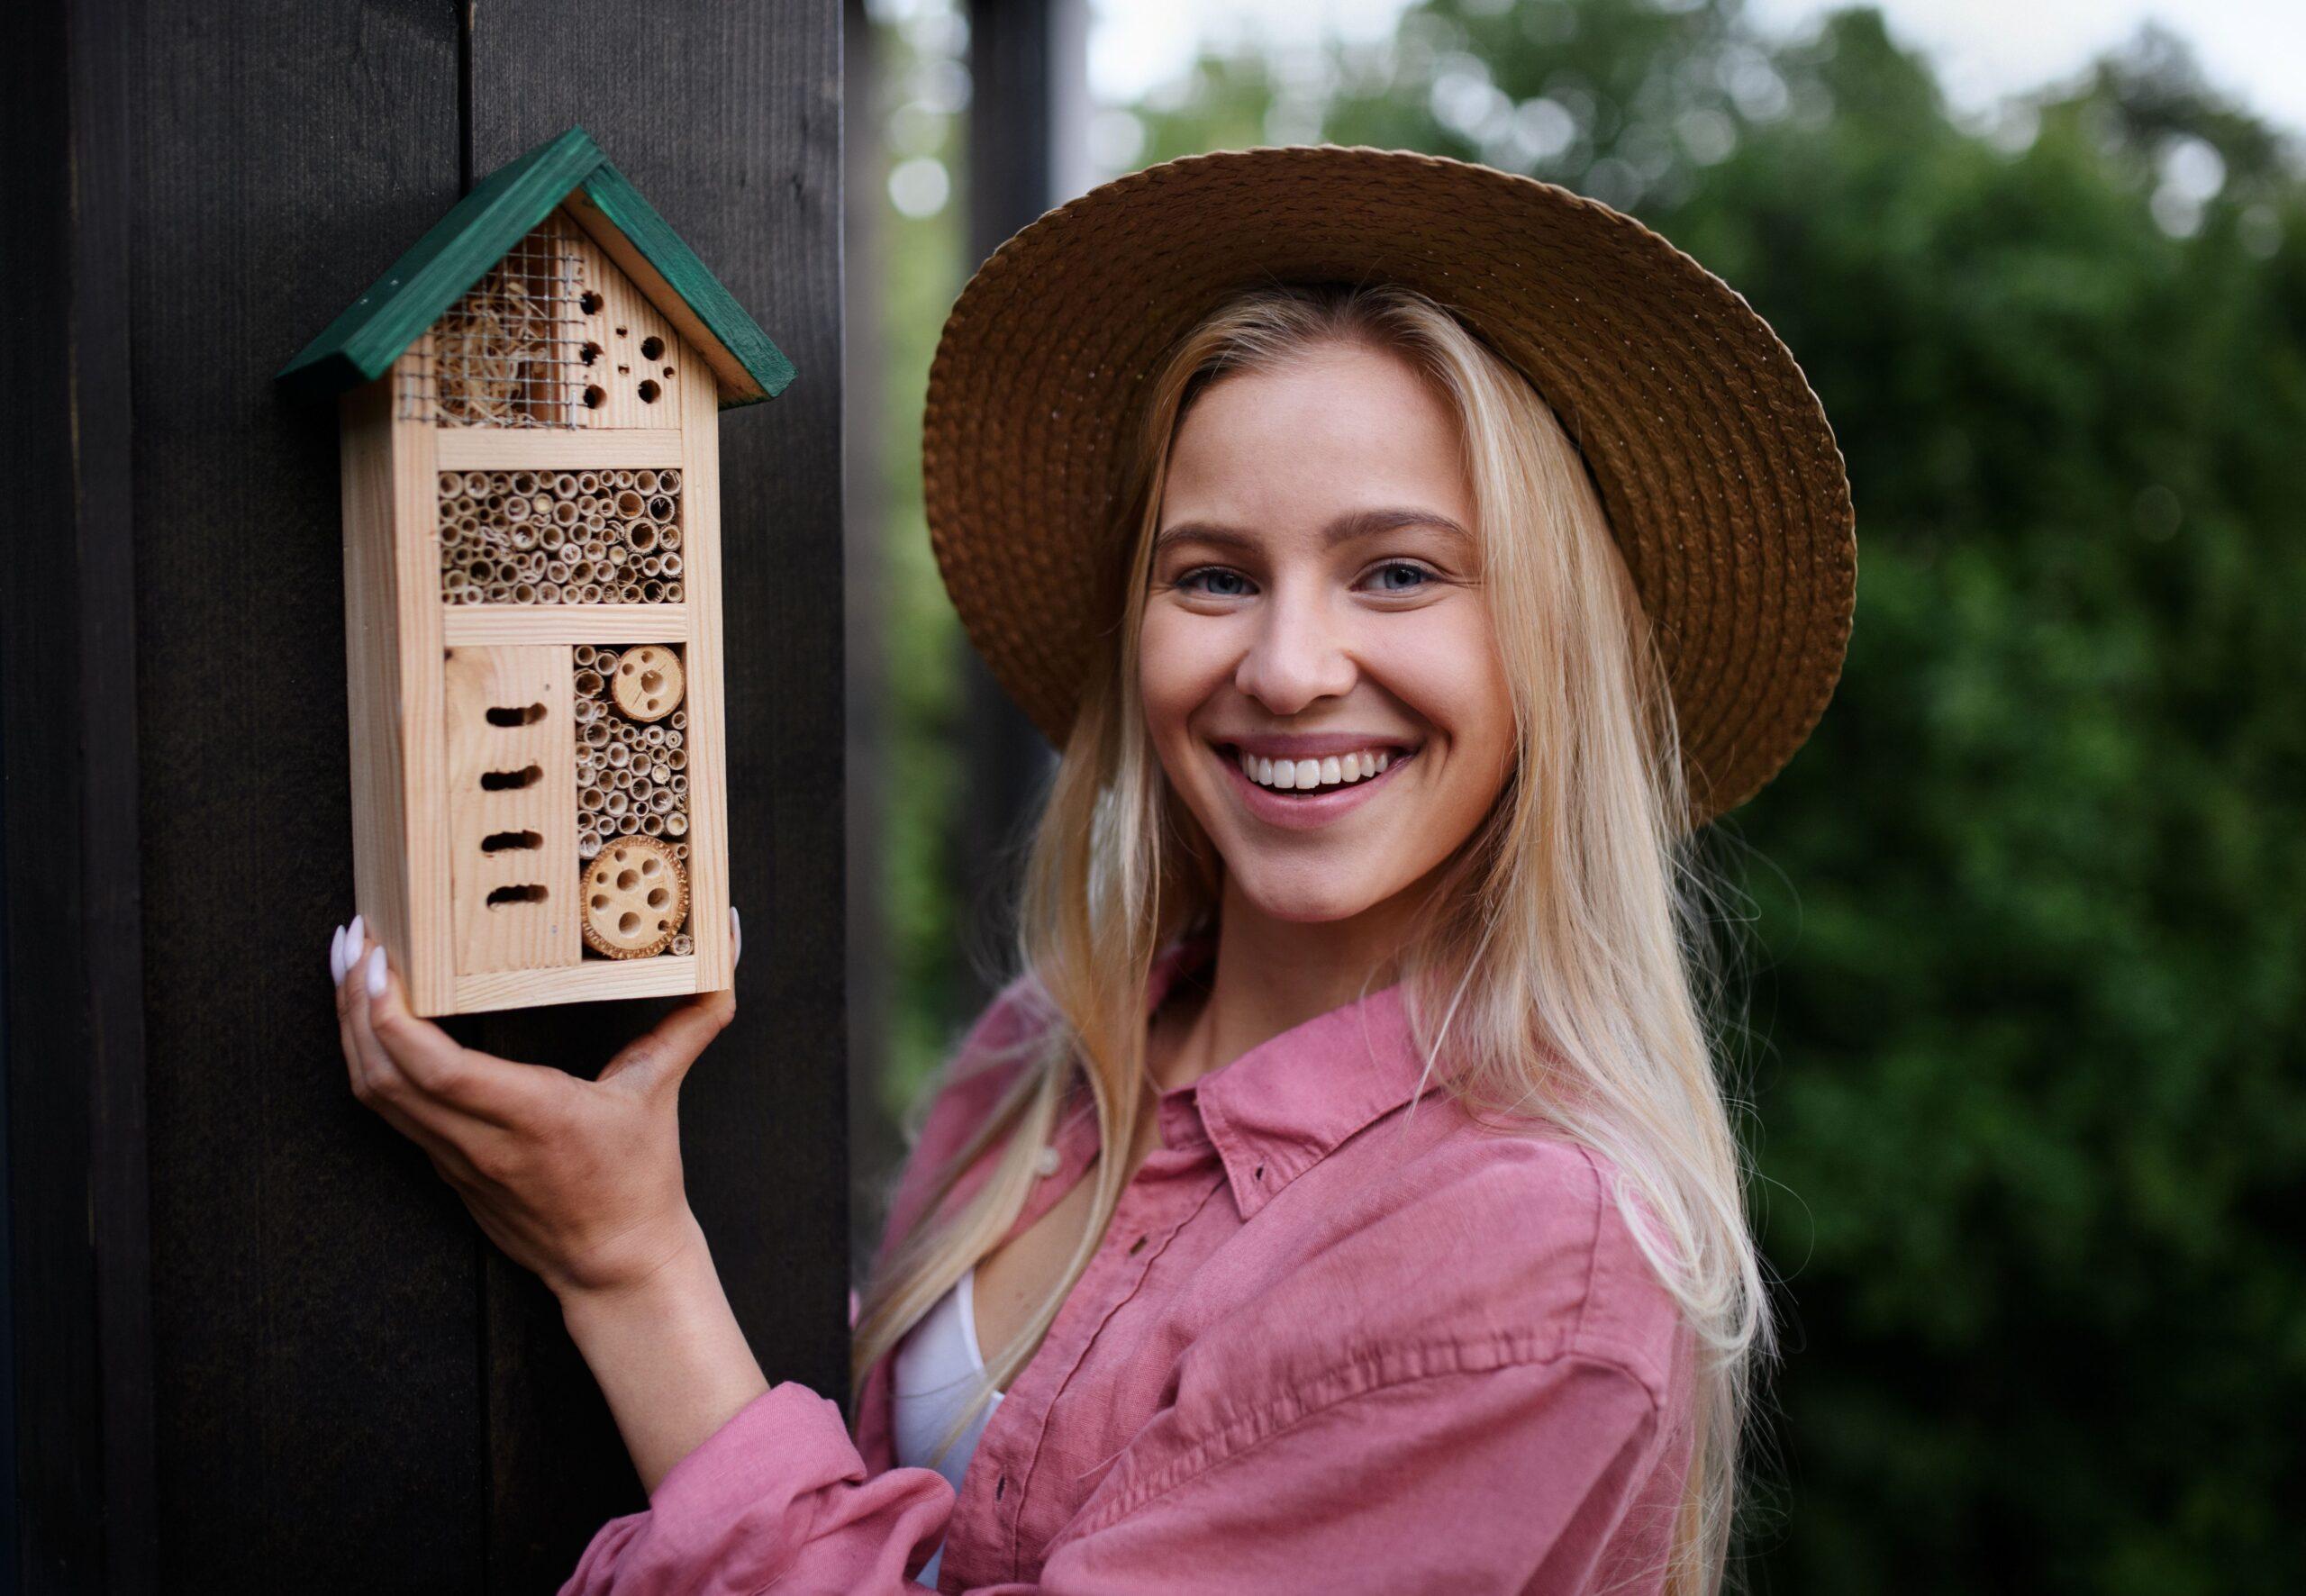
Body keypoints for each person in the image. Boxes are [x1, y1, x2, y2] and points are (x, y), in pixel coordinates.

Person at [329, 145, 1854, 1593]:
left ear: (1551, 649)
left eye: (1397, 571)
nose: (1288, 665)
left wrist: (630, 1270)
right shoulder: (1052, 1052)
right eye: (1214, 576)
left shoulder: (1519, 1254)